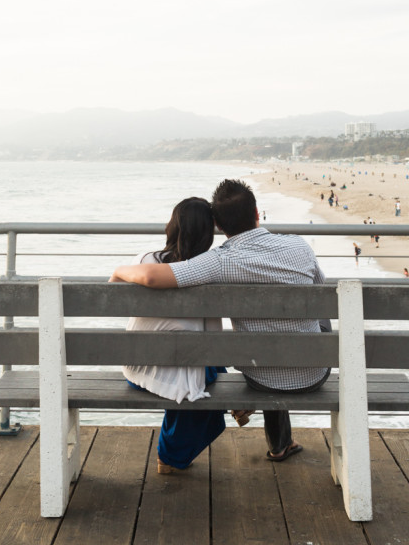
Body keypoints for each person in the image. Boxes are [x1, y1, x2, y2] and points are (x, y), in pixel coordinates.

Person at [112, 178, 332, 463]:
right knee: (304, 325)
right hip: (314, 372)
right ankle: (281, 445)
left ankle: (277, 438)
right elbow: (323, 291)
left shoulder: (218, 262)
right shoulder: (299, 246)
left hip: (260, 378)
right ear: (256, 213)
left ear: (219, 226)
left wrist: (118, 269)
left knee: (266, 346)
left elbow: (153, 276)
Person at [118, 197, 227, 474]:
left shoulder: (144, 260)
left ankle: (172, 455)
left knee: (192, 363)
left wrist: (119, 270)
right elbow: (214, 341)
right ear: (208, 234)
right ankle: (170, 454)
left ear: (172, 226)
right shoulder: (208, 273)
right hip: (180, 373)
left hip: (137, 370)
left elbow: (113, 291)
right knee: (207, 371)